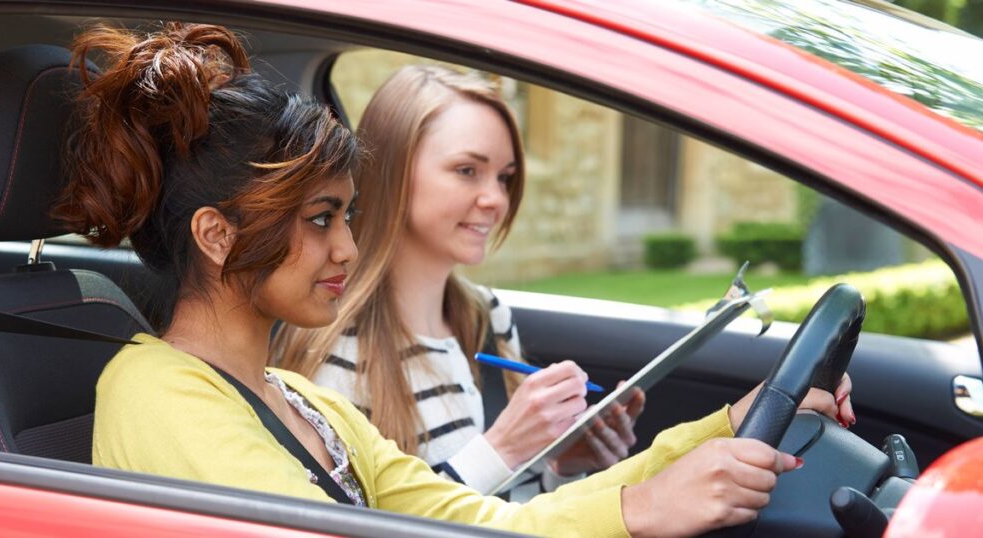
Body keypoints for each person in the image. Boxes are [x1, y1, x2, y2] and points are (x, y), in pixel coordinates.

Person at [71, 23, 854, 538]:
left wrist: (728, 426)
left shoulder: (301, 400)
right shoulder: (152, 389)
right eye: (319, 219)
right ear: (217, 234)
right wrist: (644, 509)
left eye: (346, 215)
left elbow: (483, 522)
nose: (346, 245)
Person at [272, 65, 857, 497]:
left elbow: (515, 504)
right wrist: (505, 446)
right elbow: (353, 522)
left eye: (504, 177)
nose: (494, 199)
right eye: (466, 170)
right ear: (393, 172)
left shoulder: (485, 313)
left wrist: (561, 460)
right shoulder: (338, 347)